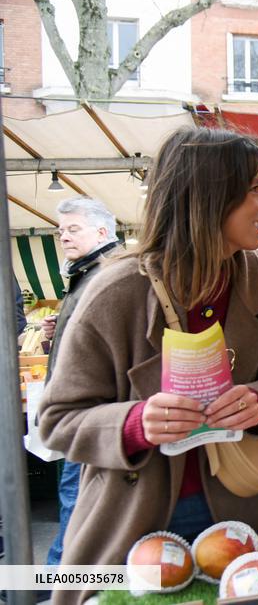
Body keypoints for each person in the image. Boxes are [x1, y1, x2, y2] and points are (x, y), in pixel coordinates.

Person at [38, 128, 258, 603]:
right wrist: (134, 423)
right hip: (139, 522)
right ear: (207, 197)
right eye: (253, 189)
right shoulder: (114, 292)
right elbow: (56, 420)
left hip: (248, 510)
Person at [41, 197, 120, 566]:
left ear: (101, 232)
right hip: (85, 409)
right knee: (77, 501)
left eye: (73, 229)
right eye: (61, 231)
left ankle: (55, 582)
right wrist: (57, 331)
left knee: (75, 501)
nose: (64, 237)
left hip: (90, 411)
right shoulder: (86, 272)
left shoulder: (107, 273)